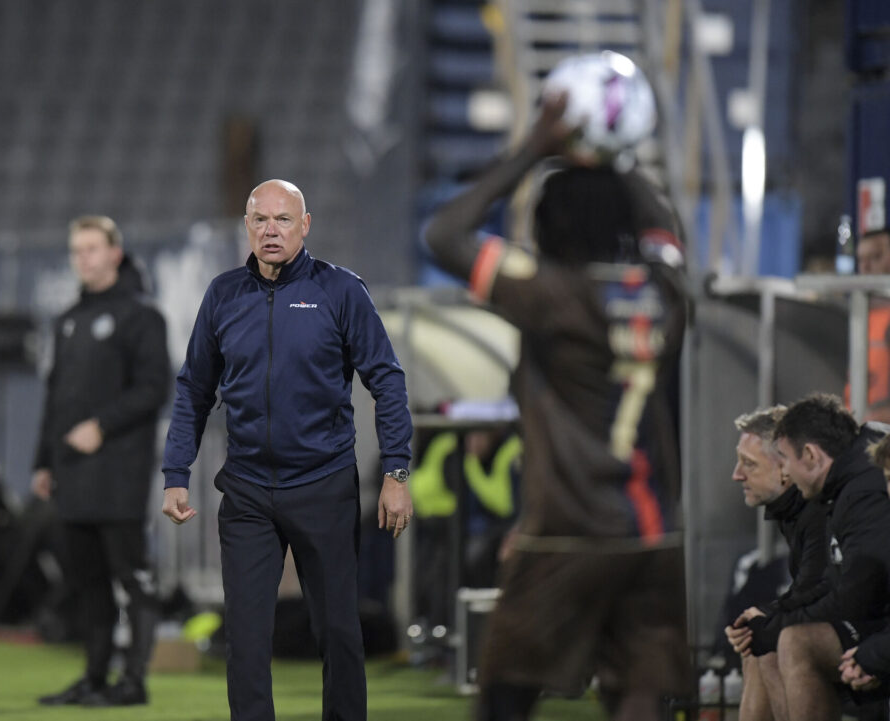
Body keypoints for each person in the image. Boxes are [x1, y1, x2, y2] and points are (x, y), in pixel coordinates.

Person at [424, 92, 690, 721]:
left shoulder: (550, 296)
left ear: (549, 228)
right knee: (640, 695)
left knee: (505, 695)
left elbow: (444, 234)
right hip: (653, 536)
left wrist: (533, 151)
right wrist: (618, 159)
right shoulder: (667, 294)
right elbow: (665, 236)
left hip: (569, 530)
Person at [160, 179, 413, 721]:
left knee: (339, 632)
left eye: (282, 220)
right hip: (248, 491)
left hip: (323, 485)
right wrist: (175, 472)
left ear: (305, 225)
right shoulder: (223, 294)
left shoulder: (341, 291)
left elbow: (387, 381)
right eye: (259, 220)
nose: (270, 231)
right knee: (246, 640)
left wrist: (396, 471)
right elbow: (193, 390)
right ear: (247, 227)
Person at [32, 215, 171, 706]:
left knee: (131, 578)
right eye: (76, 250)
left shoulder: (140, 315)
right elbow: (55, 398)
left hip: (119, 472)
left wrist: (102, 426)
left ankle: (133, 681)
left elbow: (156, 387)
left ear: (115, 253)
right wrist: (43, 460)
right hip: (72, 473)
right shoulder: (69, 319)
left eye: (92, 248)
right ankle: (94, 677)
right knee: (87, 581)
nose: (83, 258)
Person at [757, 393, 890, 721]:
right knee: (768, 644)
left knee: (792, 642)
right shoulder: (841, 489)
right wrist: (771, 615)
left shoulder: (860, 491)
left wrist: (874, 655)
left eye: (785, 459)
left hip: (877, 626)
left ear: (811, 455)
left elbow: (860, 592)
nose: (784, 472)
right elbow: (833, 582)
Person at [723, 406, 829, 721]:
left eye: (748, 463)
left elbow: (826, 591)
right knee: (762, 639)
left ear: (785, 468)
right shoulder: (795, 509)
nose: (736, 474)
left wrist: (770, 620)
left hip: (868, 631)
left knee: (775, 641)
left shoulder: (820, 508)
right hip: (847, 622)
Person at [847, 229, 890, 423]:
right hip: (856, 428)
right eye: (861, 259)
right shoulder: (859, 316)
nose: (865, 267)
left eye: (875, 257)